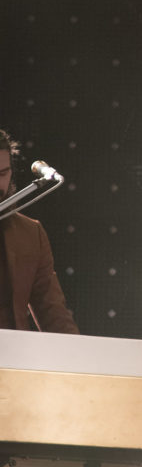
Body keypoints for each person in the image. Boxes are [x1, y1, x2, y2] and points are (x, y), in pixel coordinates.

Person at [0, 128, 79, 333]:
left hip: (13, 359)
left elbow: (54, 315)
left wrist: (79, 358)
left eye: (3, 173)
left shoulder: (30, 234)